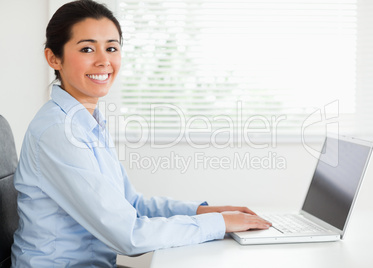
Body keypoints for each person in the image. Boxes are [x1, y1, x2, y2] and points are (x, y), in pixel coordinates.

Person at [11, 0, 271, 267]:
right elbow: (129, 236)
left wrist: (204, 211)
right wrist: (218, 223)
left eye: (112, 48)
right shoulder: (58, 132)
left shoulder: (85, 121)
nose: (104, 61)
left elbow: (130, 203)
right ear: (54, 58)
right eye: (87, 49)